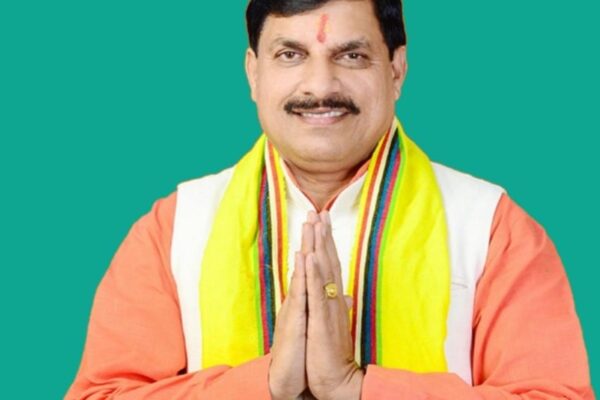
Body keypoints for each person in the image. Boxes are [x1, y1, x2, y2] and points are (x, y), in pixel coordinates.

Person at [65, 0, 594, 399]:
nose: (320, 85)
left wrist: (357, 388)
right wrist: (263, 384)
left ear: (396, 70)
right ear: (254, 72)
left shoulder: (491, 226)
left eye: (351, 55)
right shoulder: (175, 228)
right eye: (290, 55)